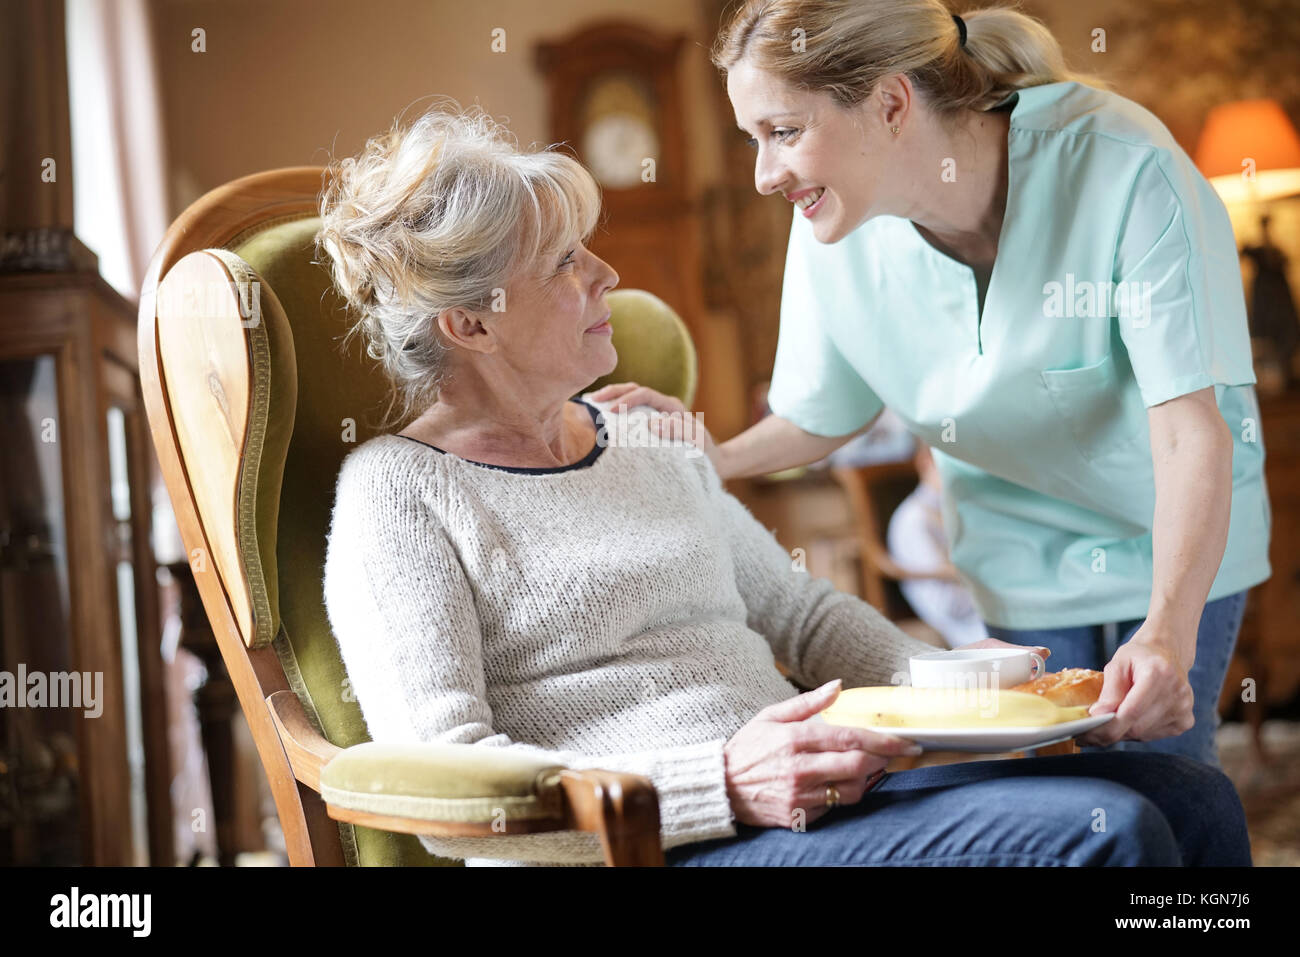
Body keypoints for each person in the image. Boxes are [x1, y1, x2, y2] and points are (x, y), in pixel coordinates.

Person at [315, 102, 1250, 866]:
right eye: (565, 263)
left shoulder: (642, 436)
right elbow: (439, 781)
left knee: (1187, 794)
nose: (607, 274)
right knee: (1109, 839)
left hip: (806, 794)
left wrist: (986, 709)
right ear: (471, 327)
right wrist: (717, 778)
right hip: (655, 846)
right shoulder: (396, 494)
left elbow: (801, 615)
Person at [594, 0, 1271, 769]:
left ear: (889, 102)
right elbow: (822, 414)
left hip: (1178, 533)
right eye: (753, 139)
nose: (763, 174)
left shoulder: (1126, 167)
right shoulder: (833, 224)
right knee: (1063, 799)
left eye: (784, 132)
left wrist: (1166, 632)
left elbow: (1189, 432)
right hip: (1020, 558)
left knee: (1172, 774)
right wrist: (701, 459)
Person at [887, 443, 989, 647]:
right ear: (926, 463)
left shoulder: (961, 509)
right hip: (968, 624)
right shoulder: (914, 520)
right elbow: (948, 605)